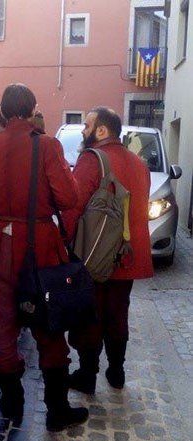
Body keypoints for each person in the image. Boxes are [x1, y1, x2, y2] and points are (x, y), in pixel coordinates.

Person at [0, 83, 89, 432]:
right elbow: (69, 199)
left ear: (5, 113)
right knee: (49, 328)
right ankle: (56, 412)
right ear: (32, 108)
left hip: (1, 247)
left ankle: (11, 404)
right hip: (41, 246)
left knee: (3, 328)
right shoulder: (48, 145)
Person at [63, 106, 154, 394]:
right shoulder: (139, 163)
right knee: (118, 313)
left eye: (87, 124)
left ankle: (87, 375)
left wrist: (64, 244)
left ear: (101, 130)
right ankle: (117, 371)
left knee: (90, 316)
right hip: (126, 254)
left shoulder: (92, 160)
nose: (83, 129)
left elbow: (74, 206)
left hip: (95, 254)